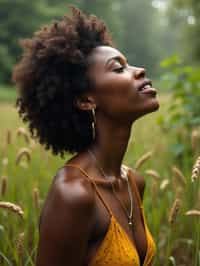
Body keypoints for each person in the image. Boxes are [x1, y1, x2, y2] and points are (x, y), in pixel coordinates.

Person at [13, 6, 159, 266]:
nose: (140, 70)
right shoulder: (73, 194)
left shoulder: (134, 183)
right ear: (86, 100)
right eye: (118, 68)